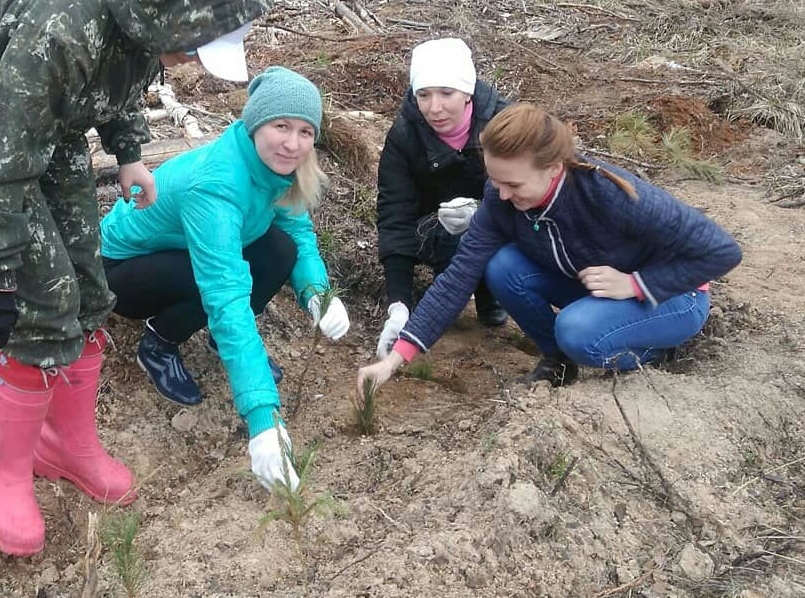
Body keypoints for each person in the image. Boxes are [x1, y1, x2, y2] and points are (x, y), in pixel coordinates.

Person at [0, 0, 273, 556]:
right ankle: (2, 474)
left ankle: (67, 445)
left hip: (51, 114)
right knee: (42, 298)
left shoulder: (144, 5)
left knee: (87, 284)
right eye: (193, 49)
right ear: (169, 18)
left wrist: (129, 152)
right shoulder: (62, 23)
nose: (190, 60)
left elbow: (124, 71)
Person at [359, 102, 742, 395]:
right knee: (502, 266)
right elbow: (459, 276)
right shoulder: (502, 197)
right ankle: (558, 362)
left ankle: (656, 351)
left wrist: (637, 284)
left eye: (514, 185)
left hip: (675, 295)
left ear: (554, 168)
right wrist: (396, 359)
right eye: (495, 181)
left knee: (575, 331)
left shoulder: (612, 195)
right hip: (597, 282)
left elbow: (723, 252)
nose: (502, 195)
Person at [101, 66, 350, 491]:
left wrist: (317, 292)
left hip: (182, 250)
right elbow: (225, 295)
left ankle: (219, 342)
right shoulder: (217, 185)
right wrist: (262, 418)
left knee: (280, 250)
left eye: (305, 131)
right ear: (256, 124)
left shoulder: (280, 169)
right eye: (281, 126)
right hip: (122, 270)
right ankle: (158, 343)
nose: (293, 143)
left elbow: (297, 232)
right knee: (214, 284)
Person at [375, 38, 510, 359]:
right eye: (424, 95)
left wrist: (483, 212)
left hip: (502, 228)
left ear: (468, 92)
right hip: (433, 231)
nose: (434, 108)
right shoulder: (405, 135)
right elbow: (395, 213)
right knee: (451, 232)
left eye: (446, 93)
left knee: (491, 239)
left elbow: (537, 196)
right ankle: (447, 297)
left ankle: (493, 292)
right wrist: (399, 305)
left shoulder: (506, 124)